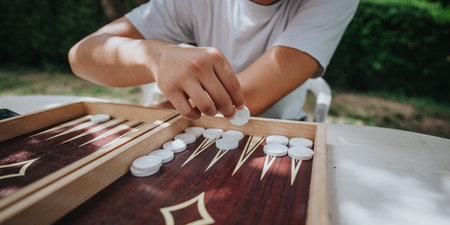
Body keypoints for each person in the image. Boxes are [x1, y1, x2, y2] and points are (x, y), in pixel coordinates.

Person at [69, 0, 358, 120]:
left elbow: (250, 97)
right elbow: (82, 55)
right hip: (196, 127)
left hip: (281, 138)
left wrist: (166, 108)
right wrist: (155, 56)